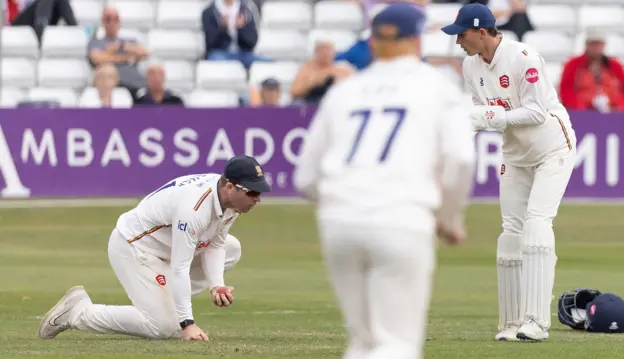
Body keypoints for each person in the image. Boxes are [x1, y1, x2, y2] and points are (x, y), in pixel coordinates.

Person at [293, 4, 476, 359]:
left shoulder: (344, 91)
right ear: (416, 41)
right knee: (396, 344)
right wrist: (449, 220)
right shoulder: (437, 87)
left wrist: (344, 202)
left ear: (374, 43)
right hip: (401, 217)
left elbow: (306, 178)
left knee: (363, 343)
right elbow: (461, 159)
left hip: (339, 222)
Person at [441, 3, 577, 342]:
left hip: (552, 148)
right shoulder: (470, 66)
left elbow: (535, 113)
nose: (459, 42)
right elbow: (478, 111)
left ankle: (536, 322)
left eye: (462, 35)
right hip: (515, 154)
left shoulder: (524, 57)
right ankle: (511, 322)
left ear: (482, 32)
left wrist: (492, 118)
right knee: (510, 232)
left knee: (536, 224)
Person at [38, 155, 271, 341]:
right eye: (252, 192)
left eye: (259, 192)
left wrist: (216, 285)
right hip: (134, 247)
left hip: (166, 248)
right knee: (165, 327)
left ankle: (164, 303)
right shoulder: (194, 208)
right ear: (230, 187)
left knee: (232, 248)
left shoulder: (231, 203)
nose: (257, 199)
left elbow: (216, 244)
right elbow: (180, 267)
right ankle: (79, 313)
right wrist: (187, 323)